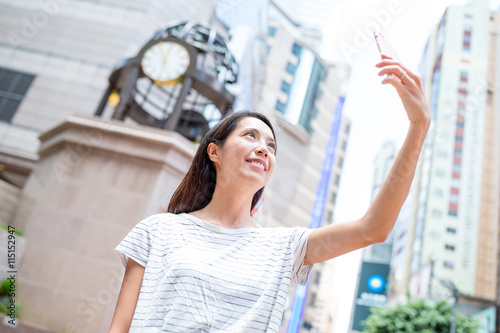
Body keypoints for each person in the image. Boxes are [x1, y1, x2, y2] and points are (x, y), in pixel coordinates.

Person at [108, 54, 430, 332]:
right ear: (214, 152)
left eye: (271, 145)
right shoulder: (159, 230)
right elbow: (120, 327)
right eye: (250, 136)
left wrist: (418, 126)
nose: (263, 148)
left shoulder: (284, 248)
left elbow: (373, 228)